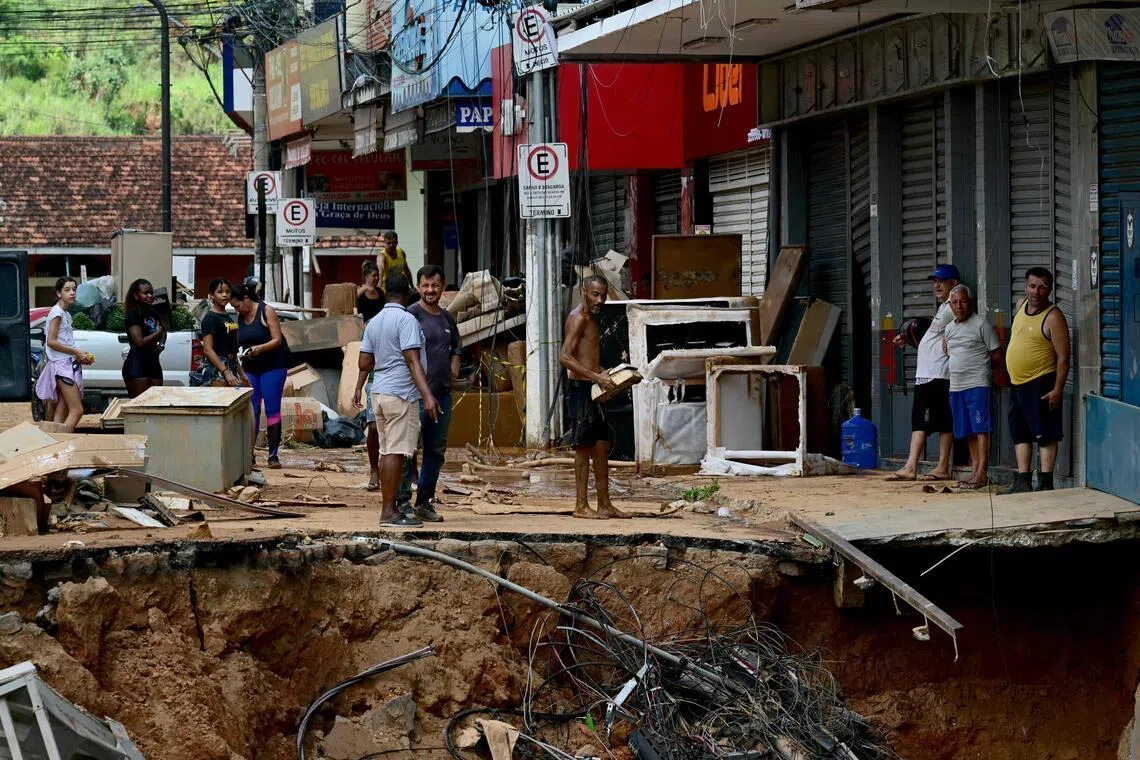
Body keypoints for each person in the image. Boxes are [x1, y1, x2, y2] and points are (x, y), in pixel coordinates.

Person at [353, 273, 439, 527]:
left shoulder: (374, 322)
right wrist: (428, 396)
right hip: (401, 394)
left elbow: (364, 362)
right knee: (396, 453)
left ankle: (389, 509)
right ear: (409, 292)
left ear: (385, 291)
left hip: (378, 393)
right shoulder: (406, 319)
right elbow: (413, 361)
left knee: (386, 451)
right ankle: (389, 512)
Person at [395, 265, 460, 523]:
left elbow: (457, 348)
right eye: (425, 285)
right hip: (413, 397)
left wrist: (453, 370)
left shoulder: (447, 318)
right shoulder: (410, 316)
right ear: (418, 287)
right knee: (407, 450)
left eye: (435, 285)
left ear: (443, 286)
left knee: (435, 451)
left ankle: (424, 502)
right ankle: (402, 504)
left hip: (442, 396)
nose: (430, 290)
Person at [559, 275, 627, 520]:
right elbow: (565, 357)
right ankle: (580, 505)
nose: (600, 300)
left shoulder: (594, 318)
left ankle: (605, 504)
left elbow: (587, 356)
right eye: (595, 295)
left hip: (593, 386)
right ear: (584, 293)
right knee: (583, 447)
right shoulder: (579, 318)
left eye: (603, 295)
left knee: (601, 445)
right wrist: (594, 377)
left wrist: (602, 373)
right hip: (581, 389)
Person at [885, 263, 959, 482]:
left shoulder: (954, 305)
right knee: (938, 421)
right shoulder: (944, 308)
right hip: (931, 373)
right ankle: (932, 466)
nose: (936, 285)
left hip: (937, 374)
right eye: (935, 282)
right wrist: (908, 339)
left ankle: (916, 466)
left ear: (953, 284)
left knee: (927, 422)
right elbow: (933, 339)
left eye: (941, 281)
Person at [1005, 267, 1070, 493]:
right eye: (1033, 286)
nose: (1037, 292)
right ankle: (1023, 480)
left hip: (1041, 382)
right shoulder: (1020, 305)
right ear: (1026, 286)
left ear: (1050, 290)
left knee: (1045, 433)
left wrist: (1058, 389)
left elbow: (1063, 357)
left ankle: (1045, 482)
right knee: (1019, 431)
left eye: (1043, 287)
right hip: (1017, 383)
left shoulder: (1054, 316)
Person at [942, 285, 1002, 490]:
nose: (959, 306)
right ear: (949, 305)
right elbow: (947, 350)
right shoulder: (949, 327)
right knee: (968, 430)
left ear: (971, 302)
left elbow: (996, 354)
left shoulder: (981, 324)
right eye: (955, 302)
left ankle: (982, 473)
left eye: (963, 301)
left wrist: (979, 368)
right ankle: (975, 471)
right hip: (956, 386)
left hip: (977, 384)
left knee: (981, 428)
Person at [233, 283, 288, 469]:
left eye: (238, 305)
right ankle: (249, 452)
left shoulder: (267, 311)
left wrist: (260, 348)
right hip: (250, 368)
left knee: (272, 410)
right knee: (251, 411)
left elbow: (277, 339)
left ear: (246, 299)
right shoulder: (239, 317)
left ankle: (273, 454)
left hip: (272, 367)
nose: (236, 309)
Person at [35, 277, 92, 432]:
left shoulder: (65, 313)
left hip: (65, 364)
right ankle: (62, 443)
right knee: (77, 410)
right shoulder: (58, 313)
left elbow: (63, 341)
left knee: (62, 410)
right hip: (61, 366)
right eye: (67, 290)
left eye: (74, 289)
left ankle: (55, 443)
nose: (72, 293)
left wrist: (78, 354)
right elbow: (51, 342)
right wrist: (76, 352)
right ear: (59, 293)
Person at [192, 279, 242, 387]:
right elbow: (207, 349)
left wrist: (241, 373)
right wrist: (225, 372)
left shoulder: (228, 317)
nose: (224, 295)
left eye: (227, 292)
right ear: (211, 295)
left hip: (231, 366)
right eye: (220, 292)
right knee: (221, 402)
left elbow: (232, 349)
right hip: (217, 369)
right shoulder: (210, 318)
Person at [121, 278, 166, 399]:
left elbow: (163, 331)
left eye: (152, 293)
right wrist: (157, 334)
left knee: (155, 404)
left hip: (154, 363)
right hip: (137, 365)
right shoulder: (132, 313)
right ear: (136, 295)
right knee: (139, 406)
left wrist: (161, 345)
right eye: (145, 293)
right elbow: (139, 342)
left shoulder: (154, 313)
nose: (150, 296)